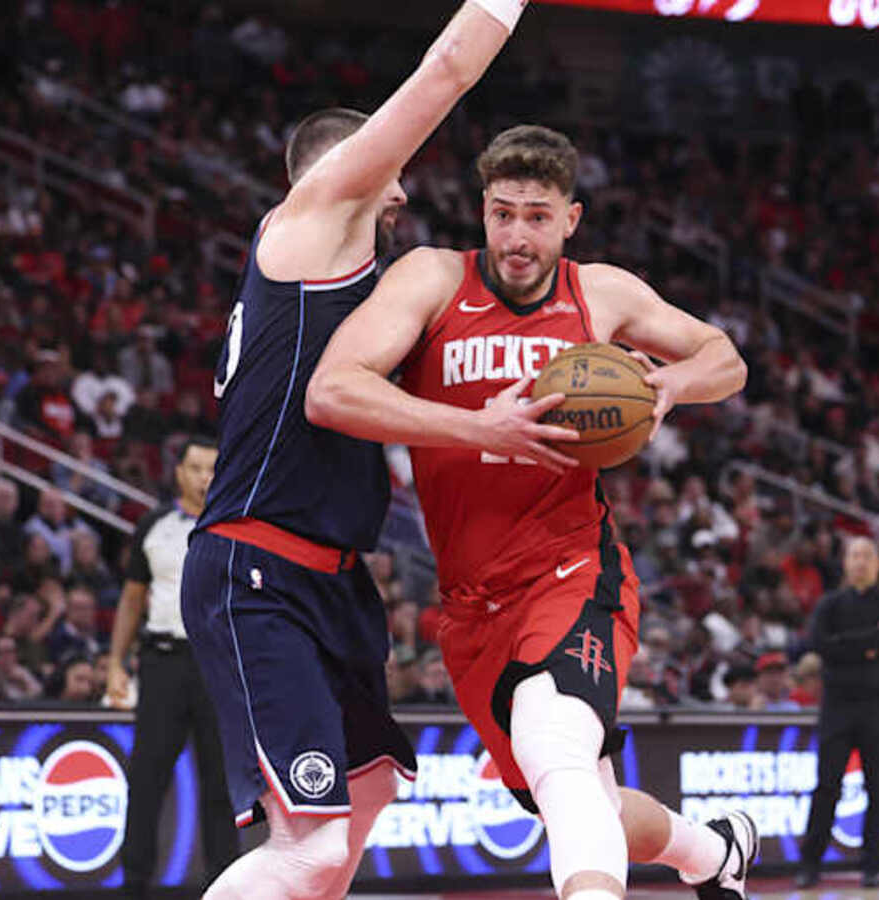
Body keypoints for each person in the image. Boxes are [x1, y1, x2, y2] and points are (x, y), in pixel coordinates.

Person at [307, 124, 753, 900]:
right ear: (482, 209)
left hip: (571, 570)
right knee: (578, 797)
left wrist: (670, 387)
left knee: (555, 747)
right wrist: (477, 427)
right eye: (503, 213)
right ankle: (714, 852)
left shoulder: (600, 292)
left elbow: (725, 356)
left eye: (538, 217)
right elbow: (332, 389)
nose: (517, 236)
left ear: (570, 219)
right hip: (470, 606)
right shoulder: (432, 279)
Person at [178, 4, 529, 898]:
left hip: (332, 579)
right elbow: (447, 70)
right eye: (393, 173)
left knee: (368, 793)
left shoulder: (359, 280)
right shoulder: (311, 219)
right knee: (310, 847)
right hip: (258, 566)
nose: (402, 193)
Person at [107, 438, 235, 898]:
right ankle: (133, 885)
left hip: (219, 664)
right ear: (178, 472)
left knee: (221, 784)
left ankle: (224, 887)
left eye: (213, 469)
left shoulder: (239, 525)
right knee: (146, 778)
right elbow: (131, 600)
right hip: (163, 661)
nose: (205, 477)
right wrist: (115, 663)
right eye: (196, 468)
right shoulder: (153, 524)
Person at [795, 538, 879, 888]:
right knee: (827, 784)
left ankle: (872, 866)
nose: (860, 562)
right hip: (837, 706)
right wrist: (866, 643)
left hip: (877, 706)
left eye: (867, 556)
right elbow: (819, 644)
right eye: (854, 555)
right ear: (845, 562)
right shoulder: (829, 604)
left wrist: (844, 644)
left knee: (878, 786)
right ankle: (810, 864)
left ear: (878, 564)